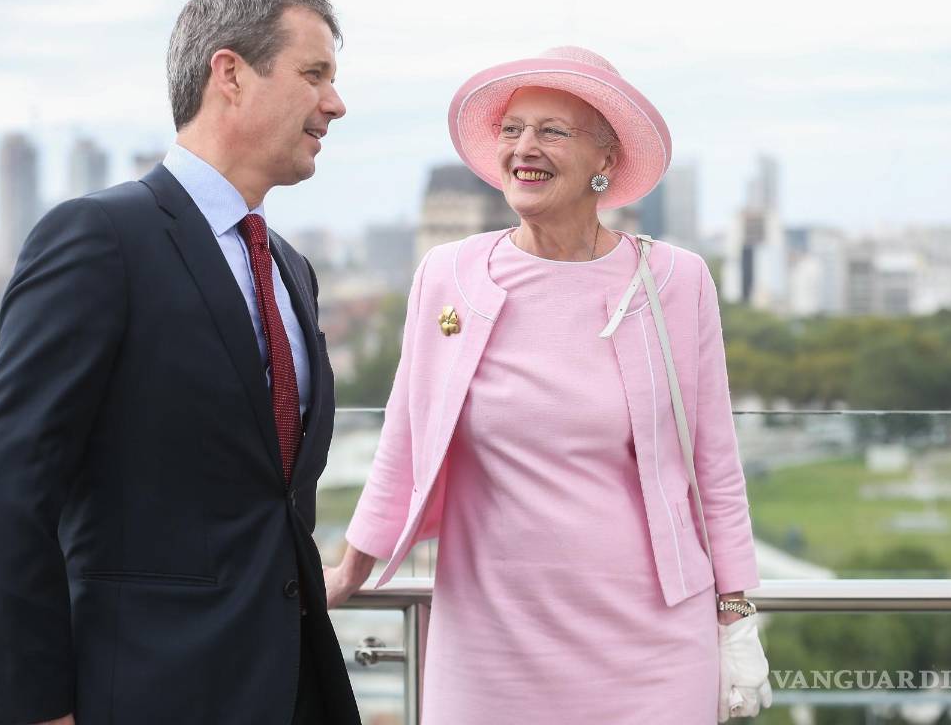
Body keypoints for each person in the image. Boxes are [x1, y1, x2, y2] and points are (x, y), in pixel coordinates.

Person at [325, 46, 772, 723]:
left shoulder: (676, 282)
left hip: (652, 644)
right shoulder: (447, 274)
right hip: (488, 642)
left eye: (552, 131)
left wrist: (737, 614)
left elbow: (715, 463)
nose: (524, 148)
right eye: (512, 130)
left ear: (606, 160)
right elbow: (405, 439)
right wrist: (348, 569)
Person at [0, 0, 360, 725]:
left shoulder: (291, 270)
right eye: (315, 75)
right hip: (147, 693)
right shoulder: (98, 238)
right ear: (230, 73)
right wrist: (35, 709)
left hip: (292, 688)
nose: (335, 104)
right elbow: (6, 484)